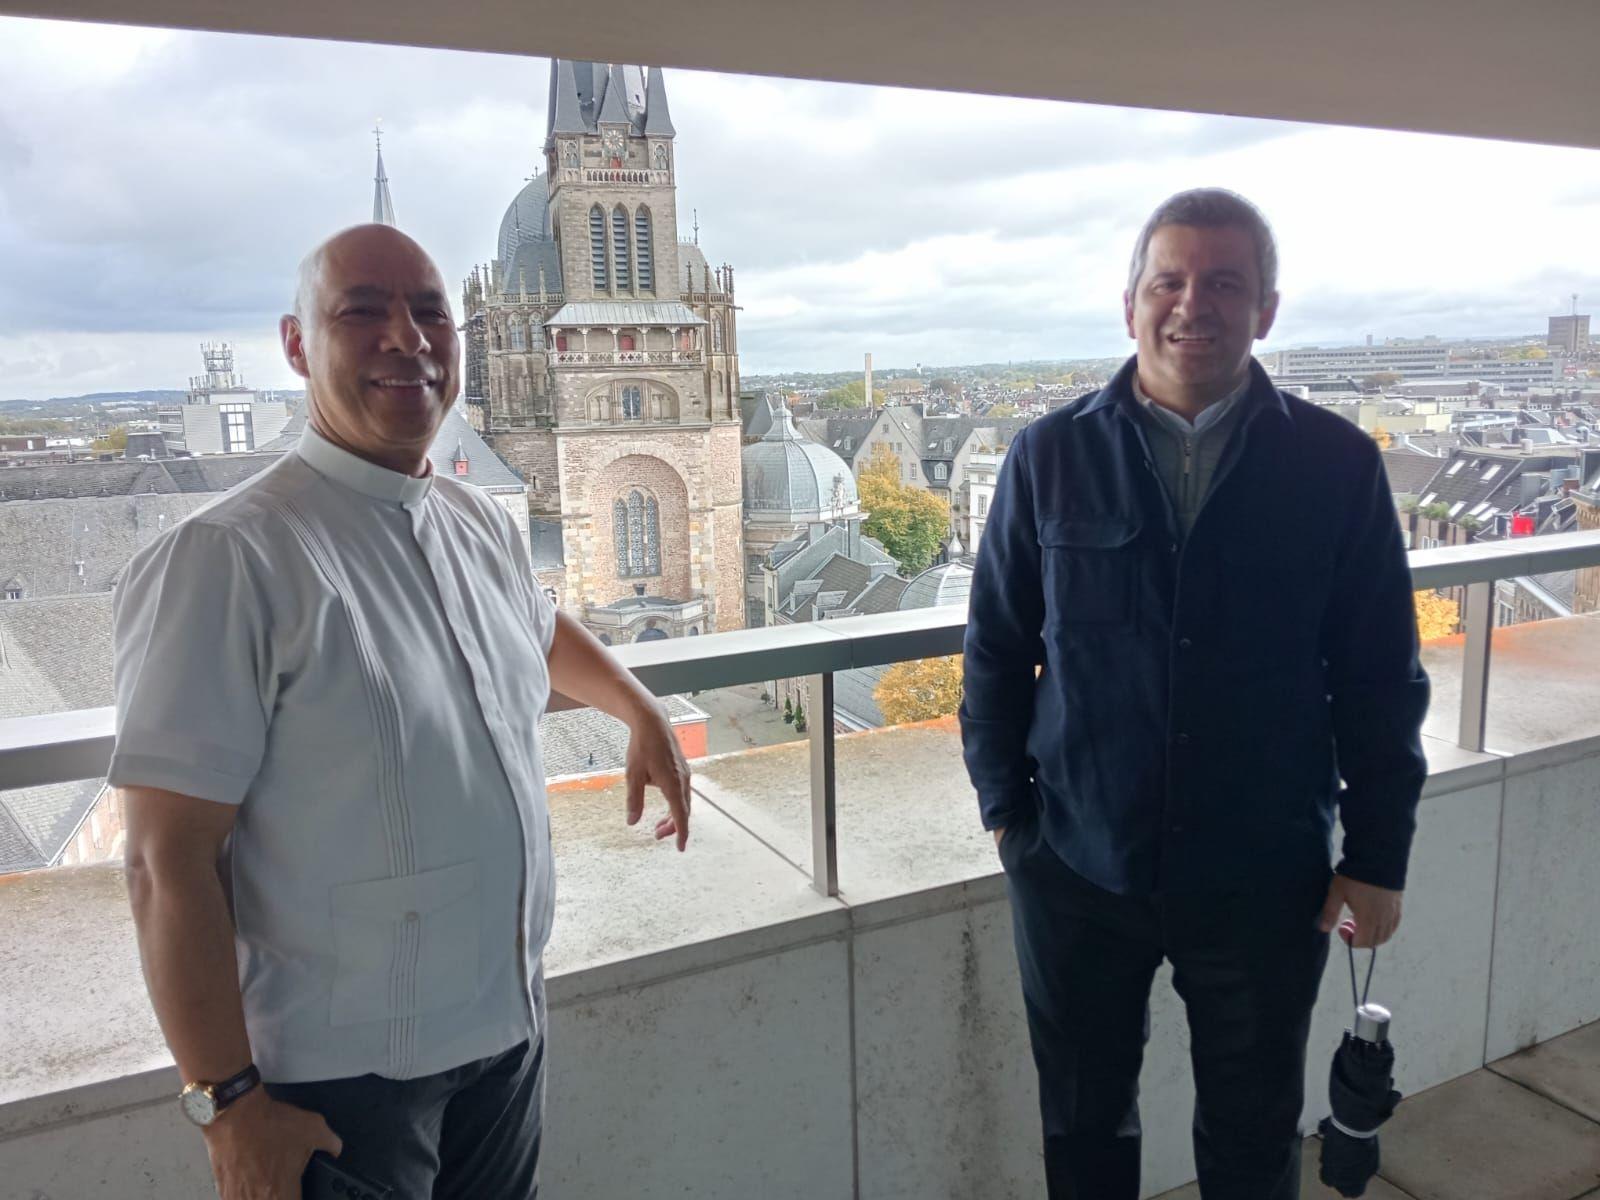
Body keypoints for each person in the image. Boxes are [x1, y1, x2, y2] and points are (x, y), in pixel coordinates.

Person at [112, 224, 692, 1200]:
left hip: (504, 1035)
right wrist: (226, 1102)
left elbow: (534, 632)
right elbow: (162, 862)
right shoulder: (227, 559)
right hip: (345, 1083)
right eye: (362, 312)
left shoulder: (468, 518)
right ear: (297, 346)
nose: (407, 338)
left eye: (429, 313)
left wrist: (637, 707)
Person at [960, 189, 1429, 1199]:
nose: (1191, 305)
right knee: (1082, 1130)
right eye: (1168, 281)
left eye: (1224, 283)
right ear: (1129, 301)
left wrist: (1377, 857)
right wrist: (1009, 819)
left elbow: (1378, 677)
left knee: (1253, 1138)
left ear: (1265, 309)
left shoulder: (1336, 466)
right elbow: (996, 650)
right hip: (1078, 871)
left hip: (1263, 877)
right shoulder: (1047, 457)